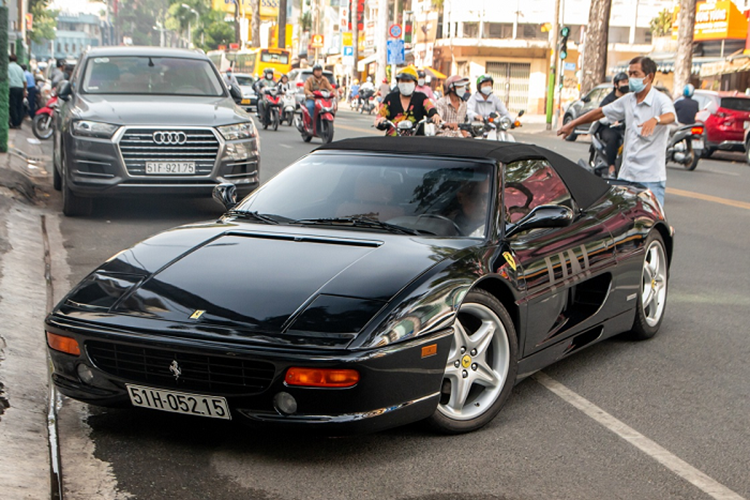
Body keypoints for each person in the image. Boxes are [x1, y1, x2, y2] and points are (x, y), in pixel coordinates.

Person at [558, 56, 676, 206]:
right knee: (626, 222)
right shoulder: (628, 100)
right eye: (630, 74)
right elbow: (601, 112)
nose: (631, 78)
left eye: (636, 74)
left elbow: (671, 115)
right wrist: (572, 124)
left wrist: (656, 120)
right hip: (627, 175)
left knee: (653, 223)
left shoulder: (660, 100)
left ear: (649, 77)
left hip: (650, 177)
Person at [374, 67, 441, 135]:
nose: (405, 84)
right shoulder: (390, 98)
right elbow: (381, 114)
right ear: (398, 83)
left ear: (415, 84)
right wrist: (380, 120)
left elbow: (430, 107)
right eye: (402, 81)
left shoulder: (421, 98)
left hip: (416, 142)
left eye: (408, 81)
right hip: (393, 142)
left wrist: (435, 115)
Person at [598, 72, 630, 176]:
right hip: (608, 128)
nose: (626, 84)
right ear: (616, 85)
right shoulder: (608, 100)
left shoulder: (630, 98)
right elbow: (600, 114)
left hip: (624, 128)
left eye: (627, 82)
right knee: (612, 138)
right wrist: (612, 120)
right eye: (623, 82)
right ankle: (611, 167)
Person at [8, 55, 26, 129]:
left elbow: (8, 79)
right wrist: (24, 90)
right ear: (16, 60)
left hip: (12, 88)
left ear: (9, 60)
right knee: (20, 105)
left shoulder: (8, 67)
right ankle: (19, 123)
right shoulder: (20, 68)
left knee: (13, 106)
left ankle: (15, 123)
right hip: (20, 88)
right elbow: (24, 81)